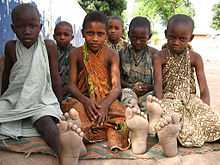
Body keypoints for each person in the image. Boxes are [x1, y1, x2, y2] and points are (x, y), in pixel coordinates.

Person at [0, 3, 83, 165]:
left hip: (41, 100)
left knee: (47, 125)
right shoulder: (10, 47)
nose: (27, 31)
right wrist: (3, 98)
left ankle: (66, 150)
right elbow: (7, 75)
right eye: (21, 26)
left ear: (40, 27)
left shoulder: (48, 46)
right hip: (15, 99)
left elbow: (55, 78)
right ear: (13, 27)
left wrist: (57, 106)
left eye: (32, 26)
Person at [146, 14, 220, 157]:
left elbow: (203, 88)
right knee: (172, 120)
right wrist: (161, 106)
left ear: (190, 38)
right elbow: (158, 86)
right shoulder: (159, 57)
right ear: (166, 34)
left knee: (213, 121)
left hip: (191, 98)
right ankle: (169, 137)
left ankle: (176, 134)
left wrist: (205, 109)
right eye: (172, 37)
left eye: (182, 39)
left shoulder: (195, 57)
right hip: (169, 98)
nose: (176, 42)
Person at [120, 16, 158, 113]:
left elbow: (160, 81)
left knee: (152, 101)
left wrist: (149, 87)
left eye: (142, 39)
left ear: (149, 36)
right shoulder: (121, 53)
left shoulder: (155, 54)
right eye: (134, 38)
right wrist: (131, 86)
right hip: (129, 90)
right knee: (126, 96)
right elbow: (117, 79)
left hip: (148, 91)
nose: (137, 41)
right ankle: (134, 111)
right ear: (128, 35)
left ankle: (145, 118)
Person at [53, 21, 75, 98]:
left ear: (72, 37)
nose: (62, 37)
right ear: (54, 36)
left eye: (66, 35)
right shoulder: (50, 51)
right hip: (52, 91)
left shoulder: (76, 53)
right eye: (59, 34)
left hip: (71, 92)